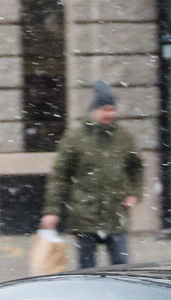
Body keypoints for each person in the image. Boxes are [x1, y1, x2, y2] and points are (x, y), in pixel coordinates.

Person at [45, 81, 143, 268]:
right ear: (95, 111)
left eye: (113, 109)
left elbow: (137, 167)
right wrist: (52, 210)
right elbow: (59, 176)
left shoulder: (123, 137)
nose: (110, 114)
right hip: (85, 216)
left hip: (115, 215)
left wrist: (134, 192)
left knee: (122, 267)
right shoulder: (75, 138)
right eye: (106, 109)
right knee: (87, 268)